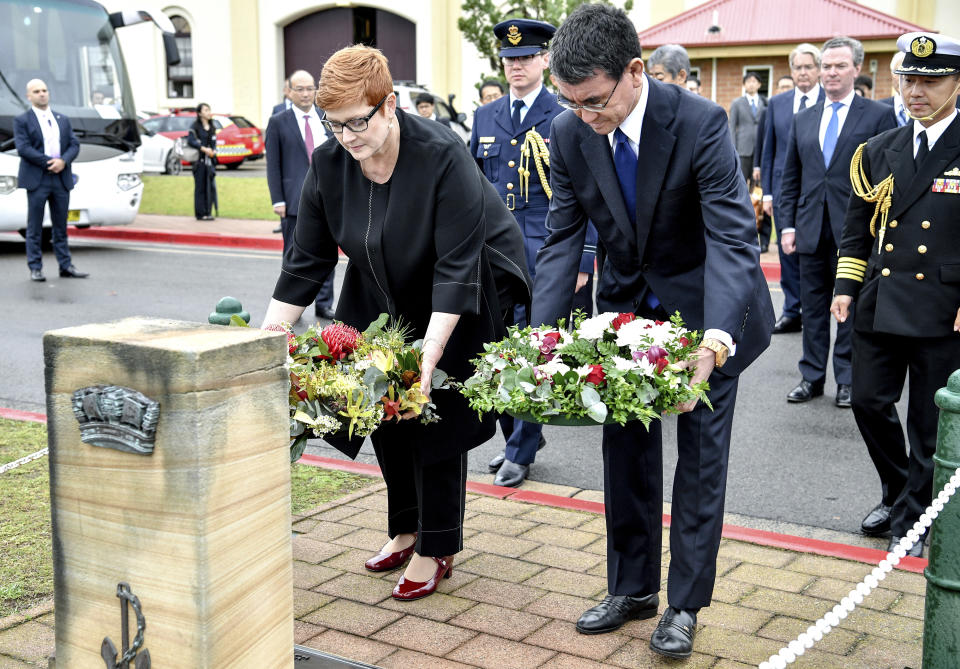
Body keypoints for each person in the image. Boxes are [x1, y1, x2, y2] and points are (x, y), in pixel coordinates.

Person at [532, 4, 773, 657]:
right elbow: (560, 241)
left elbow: (731, 238)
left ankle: (685, 603)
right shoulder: (567, 129)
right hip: (628, 307)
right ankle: (632, 586)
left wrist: (716, 338)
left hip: (707, 307)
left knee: (699, 455)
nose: (584, 116)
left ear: (635, 71)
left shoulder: (698, 122)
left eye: (594, 101)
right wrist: (541, 338)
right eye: (571, 102)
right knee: (624, 448)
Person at [262, 45, 530, 601]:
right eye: (334, 125)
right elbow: (306, 261)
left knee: (434, 416)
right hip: (377, 287)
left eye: (359, 121)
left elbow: (457, 267)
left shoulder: (442, 155)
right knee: (379, 408)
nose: (348, 137)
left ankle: (437, 546)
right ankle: (405, 529)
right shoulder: (329, 162)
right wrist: (267, 338)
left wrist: (428, 357)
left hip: (458, 286)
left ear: (389, 106)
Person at [831, 31, 960, 556]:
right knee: (866, 402)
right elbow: (855, 228)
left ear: (957, 84)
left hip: (942, 309)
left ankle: (913, 518)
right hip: (880, 302)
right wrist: (844, 286)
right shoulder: (876, 150)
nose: (916, 91)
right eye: (908, 80)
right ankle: (901, 488)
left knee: (927, 425)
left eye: (931, 81)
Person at [469, 18, 596, 487]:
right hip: (497, 254)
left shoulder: (566, 111)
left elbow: (589, 191)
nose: (516, 66)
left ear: (545, 60)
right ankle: (520, 434)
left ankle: (521, 449)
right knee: (498, 347)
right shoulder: (486, 116)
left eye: (525, 58)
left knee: (535, 350)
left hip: (550, 251)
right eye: (508, 60)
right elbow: (471, 189)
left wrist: (585, 257)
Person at [778, 36, 897, 408]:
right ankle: (811, 377)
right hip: (810, 227)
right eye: (826, 65)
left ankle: (846, 379)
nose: (831, 72)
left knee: (850, 308)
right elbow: (791, 176)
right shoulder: (803, 118)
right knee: (812, 308)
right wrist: (787, 226)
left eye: (839, 65)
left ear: (856, 69)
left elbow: (887, 176)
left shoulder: (877, 115)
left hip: (857, 234)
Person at [761, 43, 826, 334]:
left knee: (816, 251)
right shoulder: (777, 103)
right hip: (784, 191)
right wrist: (768, 193)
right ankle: (791, 310)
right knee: (787, 251)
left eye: (808, 67)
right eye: (798, 67)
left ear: (818, 70)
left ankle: (816, 310)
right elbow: (769, 150)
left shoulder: (830, 100)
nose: (803, 73)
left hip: (817, 191)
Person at [265, 69, 336, 320]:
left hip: (327, 197)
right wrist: (278, 200)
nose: (306, 94)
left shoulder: (326, 117)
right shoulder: (278, 121)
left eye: (310, 88)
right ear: (289, 92)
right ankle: (291, 307)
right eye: (300, 89)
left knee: (327, 253)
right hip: (294, 201)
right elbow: (273, 164)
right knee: (294, 256)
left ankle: (324, 303)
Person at [13, 79, 87, 282]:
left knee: (61, 226)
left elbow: (74, 143)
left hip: (61, 178)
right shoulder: (22, 120)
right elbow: (23, 148)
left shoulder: (62, 119)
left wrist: (63, 161)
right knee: (35, 227)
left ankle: (66, 266)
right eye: (37, 91)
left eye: (44, 90)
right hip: (38, 179)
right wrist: (49, 162)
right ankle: (35, 268)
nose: (42, 94)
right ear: (29, 96)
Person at [730, 73, 768, 250]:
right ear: (744, 84)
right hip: (742, 150)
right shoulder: (737, 103)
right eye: (748, 81)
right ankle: (739, 228)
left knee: (758, 192)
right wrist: (733, 150)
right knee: (740, 187)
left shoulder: (765, 102)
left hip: (760, 151)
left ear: (759, 84)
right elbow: (732, 127)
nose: (751, 84)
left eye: (755, 81)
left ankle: (761, 233)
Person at [186, 103, 218, 221]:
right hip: (199, 162)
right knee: (200, 188)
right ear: (199, 113)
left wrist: (213, 151)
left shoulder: (212, 126)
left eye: (209, 109)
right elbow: (191, 141)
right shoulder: (195, 127)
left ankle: (208, 212)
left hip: (210, 162)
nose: (208, 112)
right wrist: (203, 148)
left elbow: (214, 142)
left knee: (210, 187)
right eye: (205, 110)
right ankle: (200, 213)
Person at [878, 52, 910, 126]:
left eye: (908, 73)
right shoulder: (877, 108)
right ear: (891, 75)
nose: (903, 78)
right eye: (898, 72)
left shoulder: (925, 109)